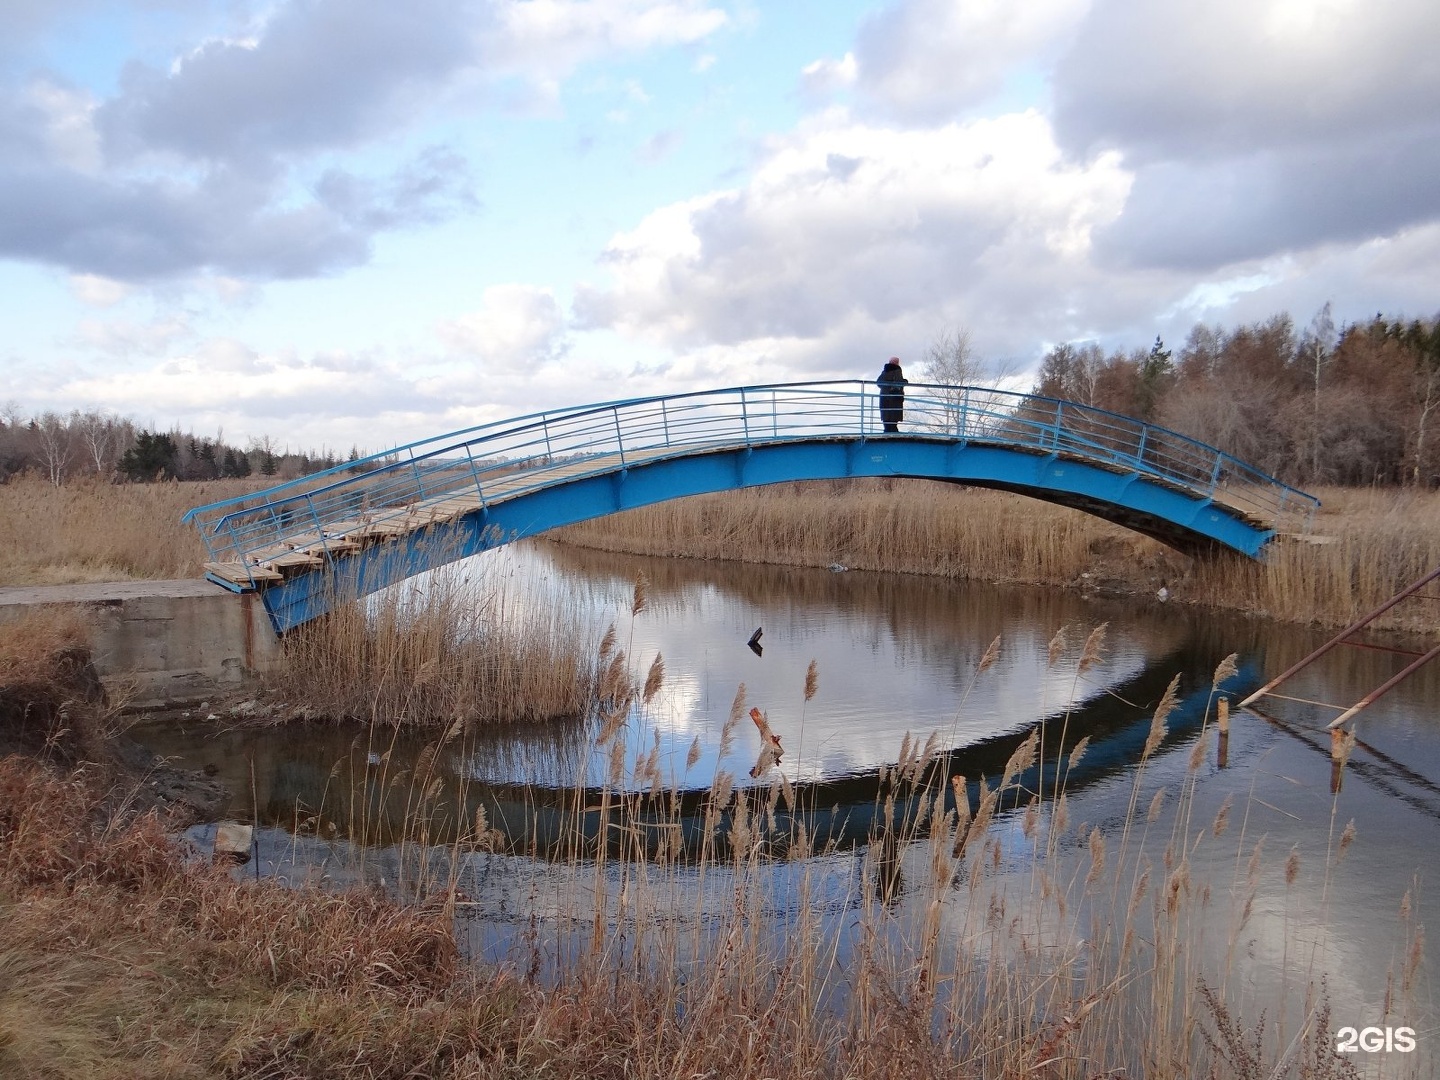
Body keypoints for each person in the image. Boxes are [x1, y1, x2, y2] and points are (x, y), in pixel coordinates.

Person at [877, 356, 907, 432]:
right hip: (894, 399)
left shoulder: (885, 371)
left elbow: (879, 383)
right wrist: (904, 382)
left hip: (885, 398)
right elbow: (898, 382)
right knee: (893, 421)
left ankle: (887, 433)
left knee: (886, 420)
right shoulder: (897, 370)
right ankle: (892, 434)